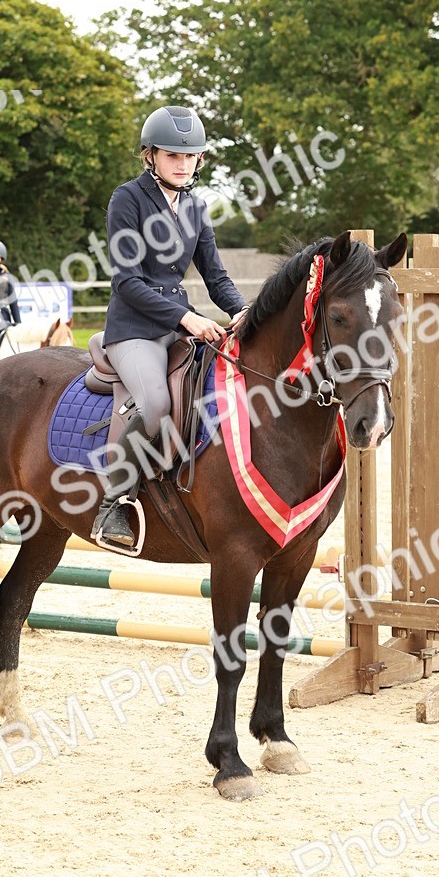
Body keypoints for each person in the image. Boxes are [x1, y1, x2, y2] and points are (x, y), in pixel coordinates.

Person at [91, 105, 248, 548]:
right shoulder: (128, 199)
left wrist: (241, 310)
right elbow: (127, 282)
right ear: (151, 156)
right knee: (157, 402)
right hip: (133, 329)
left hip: (178, 327)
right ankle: (112, 505)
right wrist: (188, 318)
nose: (182, 164)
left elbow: (216, 277)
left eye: (190, 156)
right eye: (172, 156)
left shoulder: (196, 208)